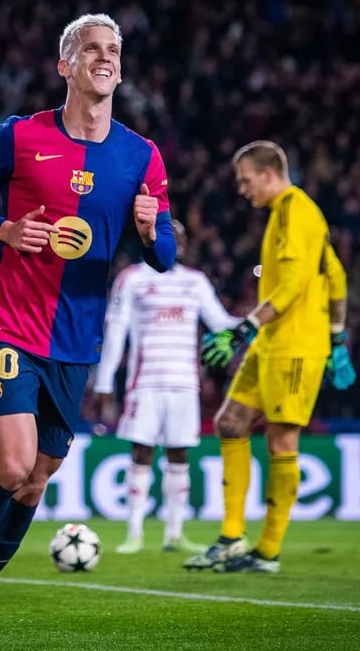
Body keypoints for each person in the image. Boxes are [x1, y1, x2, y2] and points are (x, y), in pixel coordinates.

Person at [0, 13, 176, 651]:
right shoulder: (20, 137)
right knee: (13, 466)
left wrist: (153, 232)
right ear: (65, 65)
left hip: (76, 343)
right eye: (92, 49)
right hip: (9, 325)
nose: (106, 58)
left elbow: (167, 256)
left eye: (115, 51)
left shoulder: (139, 156)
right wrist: (6, 230)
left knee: (38, 479)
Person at [186, 140, 355, 574]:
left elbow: (295, 282)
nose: (242, 190)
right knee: (230, 422)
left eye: (245, 180)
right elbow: (334, 274)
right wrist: (337, 336)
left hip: (294, 345)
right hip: (274, 342)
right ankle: (230, 536)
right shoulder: (285, 214)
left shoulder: (298, 210)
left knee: (281, 440)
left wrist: (245, 327)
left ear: (268, 173)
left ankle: (268, 551)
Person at [92, 220, 241, 555]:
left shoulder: (195, 282)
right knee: (141, 453)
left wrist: (255, 323)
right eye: (172, 238)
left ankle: (174, 533)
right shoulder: (132, 279)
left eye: (183, 239)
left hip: (184, 384)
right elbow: (116, 331)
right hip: (144, 383)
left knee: (179, 454)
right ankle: (134, 534)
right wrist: (104, 382)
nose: (179, 244)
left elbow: (220, 322)